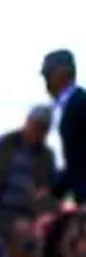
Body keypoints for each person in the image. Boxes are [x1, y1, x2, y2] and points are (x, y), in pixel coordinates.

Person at [0, 106, 63, 257]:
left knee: (32, 237)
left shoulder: (47, 156)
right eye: (35, 126)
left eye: (43, 129)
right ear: (27, 123)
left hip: (28, 213)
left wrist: (45, 198)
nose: (37, 132)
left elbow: (51, 188)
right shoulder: (4, 144)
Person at [42, 49, 83, 200]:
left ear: (63, 73)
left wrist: (55, 189)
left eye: (48, 75)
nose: (46, 83)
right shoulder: (68, 105)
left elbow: (78, 161)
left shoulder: (78, 106)